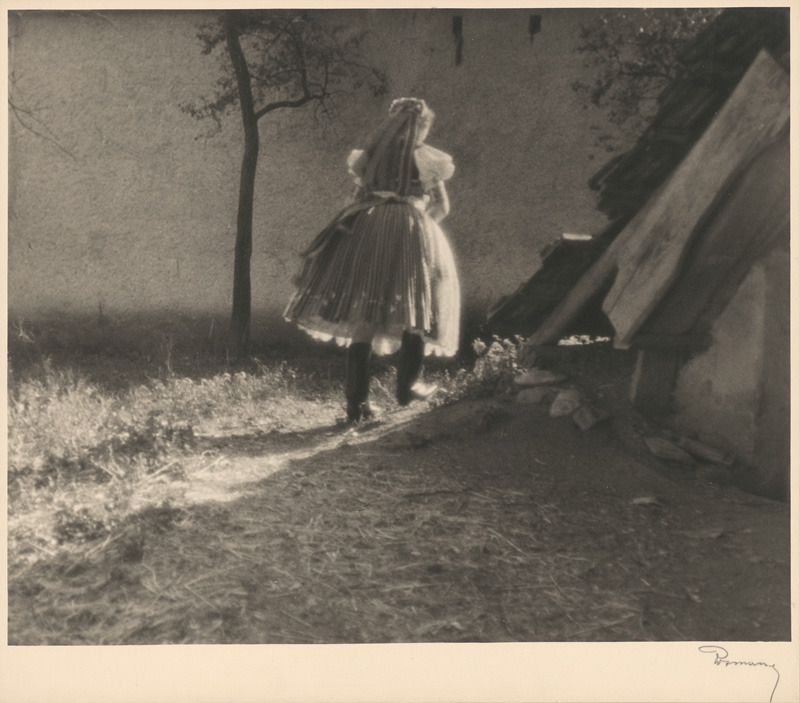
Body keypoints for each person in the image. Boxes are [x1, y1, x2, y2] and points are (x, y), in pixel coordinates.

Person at [284, 97, 461, 422]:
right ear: (420, 126)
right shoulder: (425, 157)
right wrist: (423, 224)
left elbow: (356, 199)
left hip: (369, 228)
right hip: (410, 229)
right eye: (424, 127)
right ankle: (408, 387)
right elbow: (442, 206)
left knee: (365, 311)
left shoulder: (371, 159)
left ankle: (357, 404)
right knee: (414, 305)